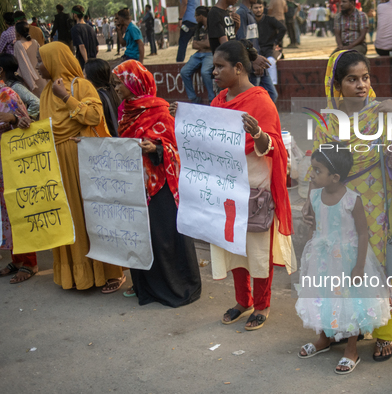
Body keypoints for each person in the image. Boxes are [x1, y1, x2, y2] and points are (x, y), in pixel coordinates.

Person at [170, 39, 294, 329]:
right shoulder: (219, 100)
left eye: (219, 67)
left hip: (254, 189)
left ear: (238, 68)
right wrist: (182, 120)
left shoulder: (261, 101)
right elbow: (206, 139)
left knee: (257, 250)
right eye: (214, 67)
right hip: (225, 191)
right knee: (233, 246)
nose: (213, 72)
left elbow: (275, 145)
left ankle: (262, 305)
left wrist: (259, 134)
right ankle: (243, 300)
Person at [307, 50, 392, 363]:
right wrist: (310, 202)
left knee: (376, 264)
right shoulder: (326, 121)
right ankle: (341, 325)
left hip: (376, 201)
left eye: (365, 77)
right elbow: (316, 165)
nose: (361, 84)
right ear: (337, 84)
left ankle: (384, 332)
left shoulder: (381, 113)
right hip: (337, 201)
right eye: (352, 79)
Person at [36, 41, 126, 292]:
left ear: (56, 61)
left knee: (92, 216)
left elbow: (94, 117)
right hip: (57, 166)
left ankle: (111, 273)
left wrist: (65, 96)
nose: (36, 66)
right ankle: (79, 275)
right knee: (69, 218)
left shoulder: (80, 85)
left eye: (41, 60)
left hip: (82, 163)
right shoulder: (45, 93)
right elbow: (46, 127)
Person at [111, 60, 202, 307]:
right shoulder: (126, 110)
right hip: (135, 185)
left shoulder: (160, 110)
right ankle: (146, 286)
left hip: (160, 186)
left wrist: (157, 148)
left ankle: (175, 287)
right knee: (142, 236)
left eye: (120, 82)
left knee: (162, 237)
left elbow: (178, 148)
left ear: (134, 82)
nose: (117, 87)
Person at [296, 144, 392, 374]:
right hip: (322, 260)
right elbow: (316, 227)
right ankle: (324, 337)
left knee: (350, 302)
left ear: (335, 177)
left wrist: (359, 266)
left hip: (347, 262)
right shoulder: (315, 195)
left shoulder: (352, 199)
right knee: (322, 297)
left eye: (318, 170)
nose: (312, 174)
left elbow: (362, 233)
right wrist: (309, 254)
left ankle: (351, 349)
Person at [0, 81, 39, 284]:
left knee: (19, 210)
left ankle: (29, 262)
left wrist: (13, 120)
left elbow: (28, 123)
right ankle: (16, 259)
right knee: (7, 213)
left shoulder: (7, 95)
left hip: (11, 164)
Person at [236, 0, 275, 102]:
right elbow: (242, 41)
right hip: (252, 63)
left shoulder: (249, 13)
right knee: (252, 100)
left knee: (272, 95)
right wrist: (253, 60)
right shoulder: (241, 13)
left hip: (258, 60)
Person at [181, 6, 215, 104]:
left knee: (205, 72)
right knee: (184, 71)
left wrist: (202, 44)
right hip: (198, 54)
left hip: (209, 54)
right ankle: (193, 98)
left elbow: (209, 44)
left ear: (201, 16)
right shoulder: (198, 28)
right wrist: (204, 44)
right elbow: (194, 45)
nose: (195, 18)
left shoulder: (211, 26)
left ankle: (211, 98)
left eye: (196, 16)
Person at [84, 58, 121, 137]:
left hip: (105, 143)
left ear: (90, 79)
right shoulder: (110, 91)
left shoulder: (97, 97)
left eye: (84, 75)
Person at [253, 0, 286, 87]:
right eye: (256, 8)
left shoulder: (270, 20)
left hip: (271, 49)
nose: (258, 10)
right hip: (257, 50)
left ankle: (273, 86)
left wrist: (277, 42)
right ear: (251, 9)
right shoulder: (251, 21)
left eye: (260, 7)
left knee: (270, 62)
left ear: (263, 8)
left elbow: (283, 28)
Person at [0, 53, 40, 119]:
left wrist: (26, 118)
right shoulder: (5, 86)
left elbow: (36, 103)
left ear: (0, 70)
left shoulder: (15, 87)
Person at [14, 22, 47, 97]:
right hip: (40, 75)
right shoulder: (34, 42)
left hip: (31, 79)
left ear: (18, 32)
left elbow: (22, 65)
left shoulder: (18, 44)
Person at [70, 5, 99, 70]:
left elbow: (81, 46)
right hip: (93, 62)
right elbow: (97, 48)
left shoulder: (75, 29)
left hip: (83, 63)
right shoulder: (91, 28)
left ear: (75, 15)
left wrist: (86, 62)